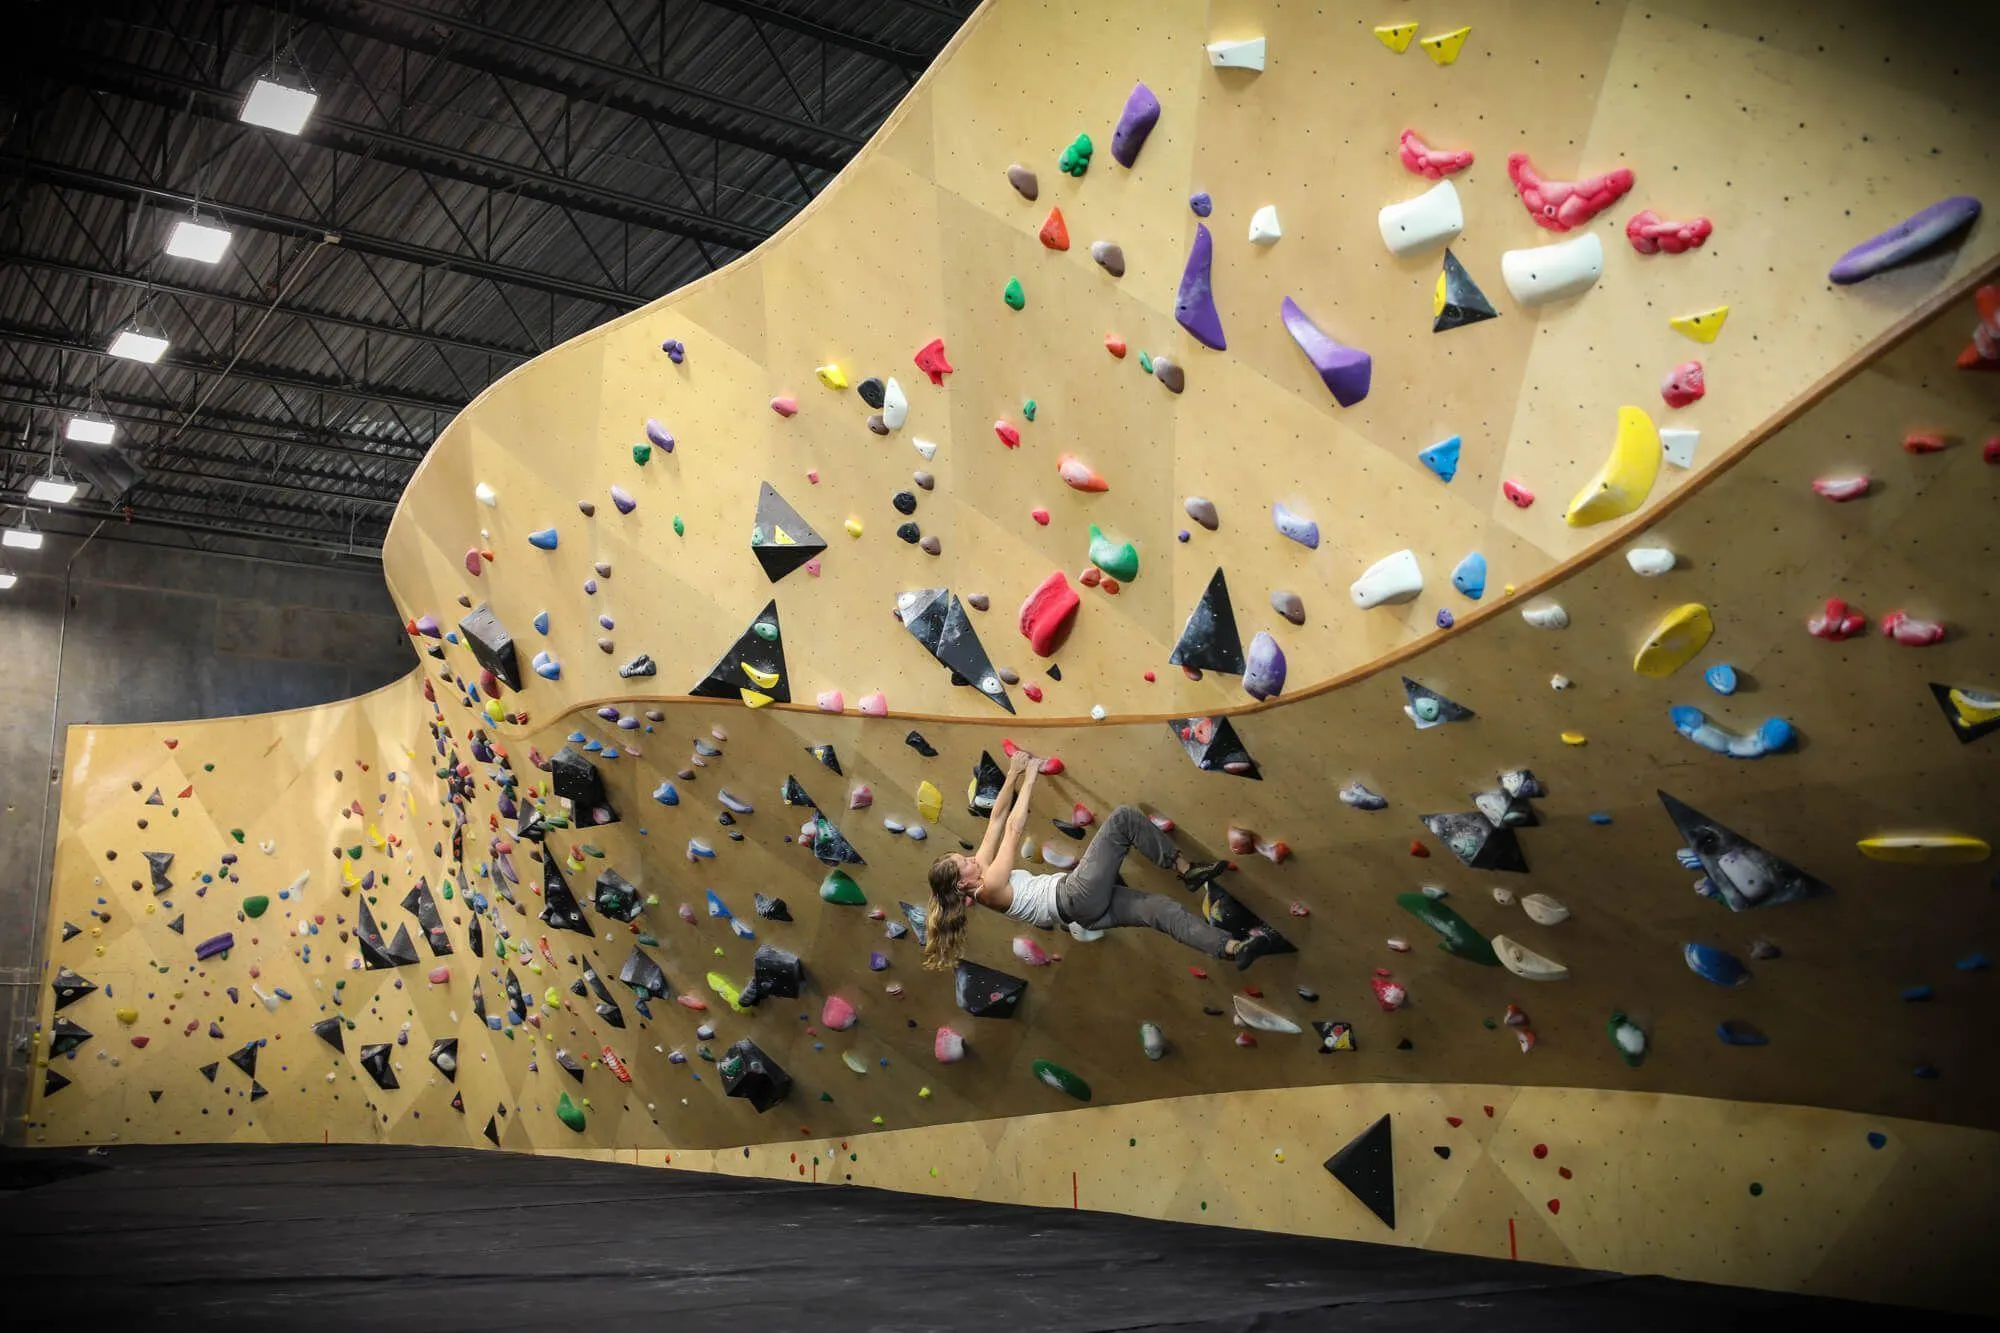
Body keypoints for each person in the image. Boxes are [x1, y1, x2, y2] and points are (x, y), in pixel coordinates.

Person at [922, 748, 1279, 972]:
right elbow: (1013, 827)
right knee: (1123, 818)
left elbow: (996, 820)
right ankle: (1186, 871)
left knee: (1161, 911)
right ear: (963, 883)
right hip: (1074, 895)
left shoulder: (979, 875)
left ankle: (1234, 948)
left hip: (1087, 912)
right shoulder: (988, 888)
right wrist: (1031, 772)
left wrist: (1013, 770)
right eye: (963, 861)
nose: (970, 857)